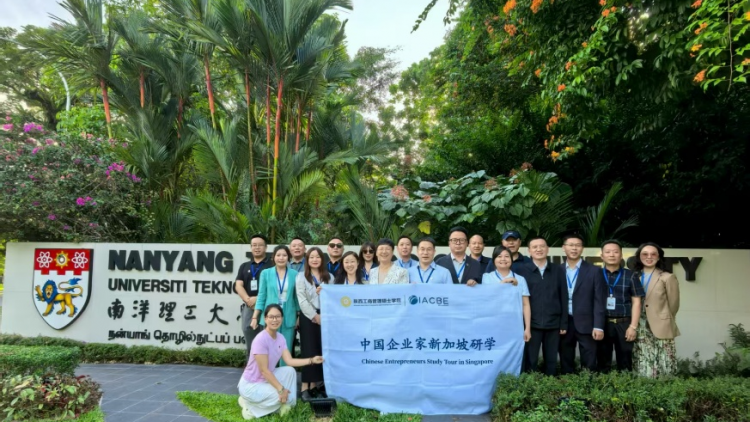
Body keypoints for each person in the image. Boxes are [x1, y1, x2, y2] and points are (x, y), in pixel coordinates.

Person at [237, 304, 324, 420]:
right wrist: (281, 389)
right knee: (281, 396)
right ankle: (249, 407)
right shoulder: (260, 340)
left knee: (290, 371)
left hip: (265, 381)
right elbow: (264, 371)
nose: (275, 320)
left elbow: (289, 361)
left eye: (278, 317)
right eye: (271, 317)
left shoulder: (280, 338)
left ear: (282, 318)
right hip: (251, 385)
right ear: (265, 319)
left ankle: (283, 403)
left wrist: (311, 360)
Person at [516, 236, 567, 376]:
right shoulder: (521, 271)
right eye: (535, 247)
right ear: (529, 251)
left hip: (554, 323)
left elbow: (563, 296)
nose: (539, 249)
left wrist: (563, 323)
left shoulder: (558, 270)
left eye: (542, 246)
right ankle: (531, 385)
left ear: (547, 249)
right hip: (531, 324)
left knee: (551, 360)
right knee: (531, 360)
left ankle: (549, 385)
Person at [558, 234, 606, 374]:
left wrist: (598, 326)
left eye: (578, 245)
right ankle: (568, 382)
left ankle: (588, 383)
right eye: (571, 245)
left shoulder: (594, 271)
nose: (574, 248)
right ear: (563, 248)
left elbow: (599, 300)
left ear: (582, 248)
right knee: (565, 358)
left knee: (589, 360)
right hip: (564, 322)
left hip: (587, 322)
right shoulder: (557, 270)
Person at [596, 239, 645, 373]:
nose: (612, 255)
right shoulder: (595, 274)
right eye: (608, 252)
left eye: (615, 252)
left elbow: (637, 302)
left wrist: (633, 327)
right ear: (602, 256)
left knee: (625, 361)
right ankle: (602, 384)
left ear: (621, 255)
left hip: (624, 323)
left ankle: (625, 384)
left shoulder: (631, 275)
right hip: (602, 323)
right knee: (602, 360)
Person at [633, 242, 680, 378]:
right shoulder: (634, 276)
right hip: (639, 323)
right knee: (643, 355)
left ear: (659, 257)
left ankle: (665, 385)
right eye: (645, 254)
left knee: (664, 357)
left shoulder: (667, 277)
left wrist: (665, 318)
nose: (649, 257)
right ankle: (645, 383)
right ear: (639, 256)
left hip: (661, 322)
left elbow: (674, 304)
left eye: (653, 254)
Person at [251, 245, 300, 361]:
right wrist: (255, 317)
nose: (281, 258)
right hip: (271, 315)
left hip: (288, 315)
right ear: (273, 257)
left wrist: (299, 316)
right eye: (278, 255)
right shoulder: (266, 273)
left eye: (284, 255)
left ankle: (285, 372)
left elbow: (296, 297)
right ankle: (268, 372)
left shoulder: (294, 274)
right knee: (268, 349)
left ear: (288, 258)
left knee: (286, 349)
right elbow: (261, 296)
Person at [295, 247, 330, 400]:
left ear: (322, 259)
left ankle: (315, 385)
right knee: (308, 350)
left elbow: (332, 298)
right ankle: (305, 387)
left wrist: (322, 315)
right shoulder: (301, 276)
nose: (315, 260)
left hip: (326, 316)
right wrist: (315, 316)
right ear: (307, 260)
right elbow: (302, 299)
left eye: (318, 257)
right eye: (311, 257)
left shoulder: (329, 277)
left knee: (319, 349)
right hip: (308, 317)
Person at [482, 246, 530, 343]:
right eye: (499, 256)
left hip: (515, 324)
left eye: (507, 256)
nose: (503, 259)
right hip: (493, 323)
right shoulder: (487, 277)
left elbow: (526, 305)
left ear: (511, 260)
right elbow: (487, 298)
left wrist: (527, 328)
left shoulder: (520, 279)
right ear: (494, 260)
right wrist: (504, 282)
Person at [235, 234, 270, 355]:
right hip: (249, 306)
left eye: (260, 245)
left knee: (267, 336)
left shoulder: (272, 265)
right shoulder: (244, 266)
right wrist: (248, 300)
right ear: (251, 247)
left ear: (266, 247)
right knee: (248, 331)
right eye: (254, 245)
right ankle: (251, 363)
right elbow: (238, 285)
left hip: (267, 306)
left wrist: (258, 299)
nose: (257, 248)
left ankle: (267, 365)